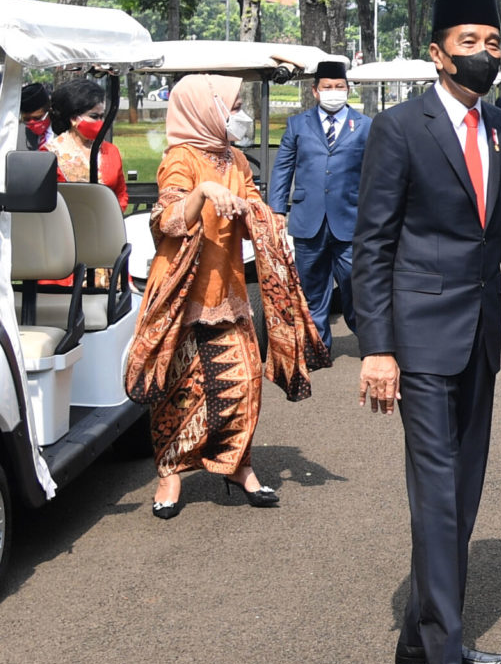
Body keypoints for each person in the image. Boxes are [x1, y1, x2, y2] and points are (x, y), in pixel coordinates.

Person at [351, 0, 501, 664]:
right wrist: (377, 347)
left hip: (482, 340)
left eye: (494, 42)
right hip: (419, 339)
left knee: (462, 491)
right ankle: (443, 654)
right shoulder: (399, 128)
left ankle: (417, 630)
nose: (485, 52)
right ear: (437, 51)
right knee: (436, 492)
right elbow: (371, 245)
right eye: (470, 40)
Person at [125, 74, 317, 519]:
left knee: (244, 381)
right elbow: (168, 221)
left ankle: (236, 466)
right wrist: (204, 191)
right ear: (205, 110)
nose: (238, 117)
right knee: (179, 389)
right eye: (230, 108)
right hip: (182, 293)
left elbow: (252, 204)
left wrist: (268, 221)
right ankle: (170, 473)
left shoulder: (234, 158)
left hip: (228, 290)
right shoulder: (179, 158)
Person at [268, 60, 371, 356]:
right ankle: (318, 347)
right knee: (311, 287)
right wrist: (276, 209)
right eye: (327, 87)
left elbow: (376, 173)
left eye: (339, 87)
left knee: (355, 284)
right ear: (315, 91)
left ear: (348, 89)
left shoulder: (365, 126)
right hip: (308, 220)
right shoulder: (297, 125)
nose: (334, 92)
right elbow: (283, 169)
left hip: (350, 220)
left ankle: (370, 341)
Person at [50, 77, 128, 209]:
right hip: (66, 225)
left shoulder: (110, 151)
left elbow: (121, 193)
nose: (100, 122)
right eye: (94, 117)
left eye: (102, 116)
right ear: (74, 118)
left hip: (107, 222)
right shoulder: (51, 153)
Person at [18, 81, 54, 152]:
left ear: (49, 111)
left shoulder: (65, 132)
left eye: (37, 118)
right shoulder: (16, 137)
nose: (32, 123)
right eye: (27, 119)